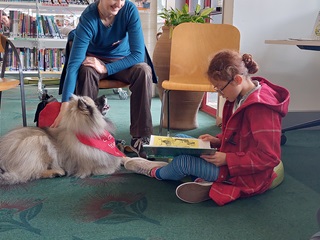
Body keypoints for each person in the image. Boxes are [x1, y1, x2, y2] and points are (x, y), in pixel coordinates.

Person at [124, 49, 290, 206]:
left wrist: (227, 159)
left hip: (242, 174)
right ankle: (205, 181)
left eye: (219, 88)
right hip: (229, 157)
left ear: (237, 79)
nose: (219, 93)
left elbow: (270, 157)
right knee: (180, 141)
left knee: (183, 163)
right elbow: (237, 135)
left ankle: (154, 171)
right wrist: (217, 141)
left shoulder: (261, 109)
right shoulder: (238, 96)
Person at [53, 0, 157, 158]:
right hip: (95, 62)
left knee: (143, 70)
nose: (119, 3)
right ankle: (88, 134)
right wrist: (64, 105)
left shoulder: (129, 10)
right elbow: (73, 65)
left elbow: (137, 55)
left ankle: (141, 138)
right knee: (85, 71)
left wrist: (107, 68)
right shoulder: (88, 18)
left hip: (124, 61)